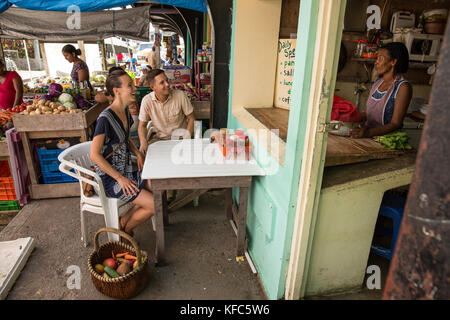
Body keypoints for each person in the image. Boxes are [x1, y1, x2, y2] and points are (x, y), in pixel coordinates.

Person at [90, 69, 154, 236]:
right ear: (117, 91)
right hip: (111, 179)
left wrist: (137, 152)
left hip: (127, 169)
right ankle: (125, 231)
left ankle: (122, 223)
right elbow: (94, 155)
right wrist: (120, 178)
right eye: (130, 86)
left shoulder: (125, 111)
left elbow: (123, 139)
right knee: (155, 204)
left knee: (157, 187)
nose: (134, 89)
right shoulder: (105, 119)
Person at [350, 42, 412, 138]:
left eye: (380, 58)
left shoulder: (403, 87)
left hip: (388, 141)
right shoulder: (378, 83)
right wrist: (350, 116)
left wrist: (368, 133)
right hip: (369, 137)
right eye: (377, 58)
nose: (376, 62)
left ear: (393, 62)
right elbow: (368, 114)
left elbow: (396, 123)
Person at [138, 68, 195, 155]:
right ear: (153, 87)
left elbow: (192, 118)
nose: (167, 84)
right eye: (162, 83)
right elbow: (142, 126)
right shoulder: (147, 101)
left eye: (167, 80)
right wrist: (143, 142)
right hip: (160, 140)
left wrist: (186, 138)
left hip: (180, 139)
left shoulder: (180, 95)